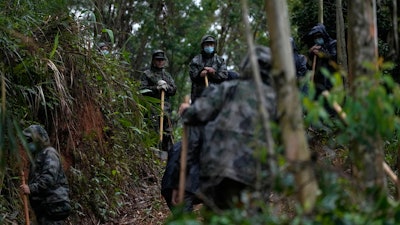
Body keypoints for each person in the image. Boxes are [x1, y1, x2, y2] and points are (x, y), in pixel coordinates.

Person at [178, 46, 277, 211]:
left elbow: (196, 113)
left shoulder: (230, 88)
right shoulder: (277, 99)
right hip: (255, 173)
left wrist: (186, 110)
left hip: (219, 168)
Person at [20, 125, 71, 225]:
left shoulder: (49, 153)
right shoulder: (39, 156)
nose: (28, 144)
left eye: (30, 140)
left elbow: (49, 178)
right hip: (45, 208)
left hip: (54, 205)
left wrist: (31, 188)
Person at [140, 50, 177, 152]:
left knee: (167, 133)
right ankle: (151, 155)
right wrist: (156, 88)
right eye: (158, 60)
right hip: (151, 109)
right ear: (153, 61)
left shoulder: (167, 76)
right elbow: (142, 89)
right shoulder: (147, 74)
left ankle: (167, 156)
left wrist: (166, 87)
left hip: (166, 109)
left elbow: (173, 89)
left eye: (162, 60)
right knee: (153, 132)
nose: (160, 62)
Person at [189, 34, 228, 102]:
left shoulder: (220, 60)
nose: (209, 46)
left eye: (211, 44)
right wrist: (200, 75)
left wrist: (213, 73)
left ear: (214, 46)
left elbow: (224, 75)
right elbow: (192, 76)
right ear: (203, 46)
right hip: (199, 97)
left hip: (216, 96)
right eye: (207, 44)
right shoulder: (195, 60)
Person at [305, 23, 337, 97]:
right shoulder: (314, 48)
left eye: (319, 36)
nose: (317, 39)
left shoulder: (332, 44)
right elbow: (309, 66)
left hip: (330, 79)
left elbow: (333, 57)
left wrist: (321, 52)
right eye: (315, 37)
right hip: (318, 81)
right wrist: (311, 54)